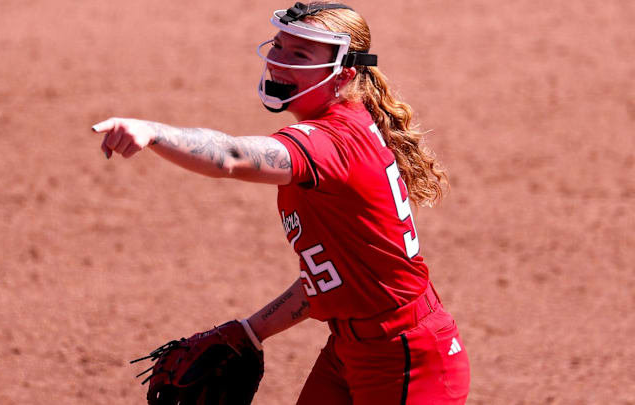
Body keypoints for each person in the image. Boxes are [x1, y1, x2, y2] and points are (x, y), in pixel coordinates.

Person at [92, 2, 470, 404]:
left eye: (300, 54)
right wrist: (253, 330)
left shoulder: (333, 141)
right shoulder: (341, 127)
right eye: (278, 45)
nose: (277, 60)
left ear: (343, 72)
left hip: (407, 359)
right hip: (350, 349)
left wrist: (153, 132)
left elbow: (231, 157)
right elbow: (337, 276)